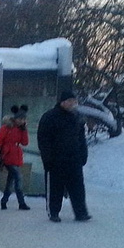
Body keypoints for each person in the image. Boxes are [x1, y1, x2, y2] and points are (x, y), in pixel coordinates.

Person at [37, 90, 91, 222]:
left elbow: (81, 138)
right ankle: (53, 212)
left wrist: (83, 155)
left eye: (75, 101)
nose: (73, 104)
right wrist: (47, 159)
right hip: (55, 160)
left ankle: (81, 212)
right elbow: (43, 139)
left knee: (77, 187)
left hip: (74, 159)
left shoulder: (77, 117)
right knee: (55, 187)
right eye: (71, 101)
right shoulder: (50, 117)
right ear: (63, 102)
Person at [0, 105, 31, 210]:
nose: (22, 121)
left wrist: (24, 130)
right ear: (15, 118)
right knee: (18, 178)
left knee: (10, 181)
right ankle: (21, 202)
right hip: (8, 156)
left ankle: (4, 201)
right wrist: (5, 149)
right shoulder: (6, 127)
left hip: (16, 156)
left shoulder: (21, 129)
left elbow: (25, 143)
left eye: (24, 119)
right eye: (20, 119)